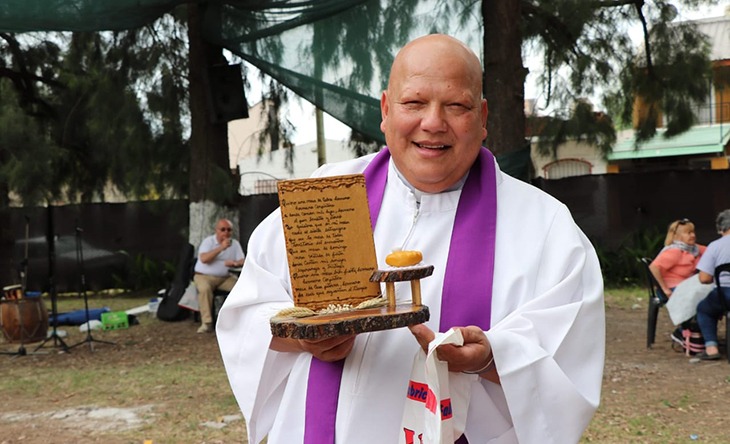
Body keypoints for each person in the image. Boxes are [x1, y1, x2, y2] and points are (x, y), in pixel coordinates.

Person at [217, 34, 604, 443]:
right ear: (386, 109)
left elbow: (568, 358)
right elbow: (248, 312)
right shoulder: (324, 195)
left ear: (483, 116)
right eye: (414, 103)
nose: (433, 123)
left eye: (456, 105)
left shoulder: (544, 227)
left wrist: (491, 356)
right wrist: (304, 336)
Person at [194, 218, 244, 333]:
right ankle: (206, 323)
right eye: (223, 230)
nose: (226, 232)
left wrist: (235, 263)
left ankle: (237, 320)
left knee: (240, 288)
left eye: (229, 230)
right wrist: (221, 247)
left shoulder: (234, 244)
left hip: (225, 277)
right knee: (204, 289)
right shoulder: (208, 242)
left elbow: (242, 260)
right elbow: (204, 259)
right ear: (216, 231)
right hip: (204, 276)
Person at [694, 209, 730, 360]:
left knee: (704, 309)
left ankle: (711, 348)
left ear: (721, 228)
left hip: (725, 295)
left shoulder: (715, 246)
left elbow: (704, 278)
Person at [649, 218, 706, 299]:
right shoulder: (674, 251)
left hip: (687, 287)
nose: (693, 235)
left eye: (693, 232)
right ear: (676, 236)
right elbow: (653, 268)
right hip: (672, 289)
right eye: (688, 233)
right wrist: (664, 289)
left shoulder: (693, 248)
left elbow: (713, 251)